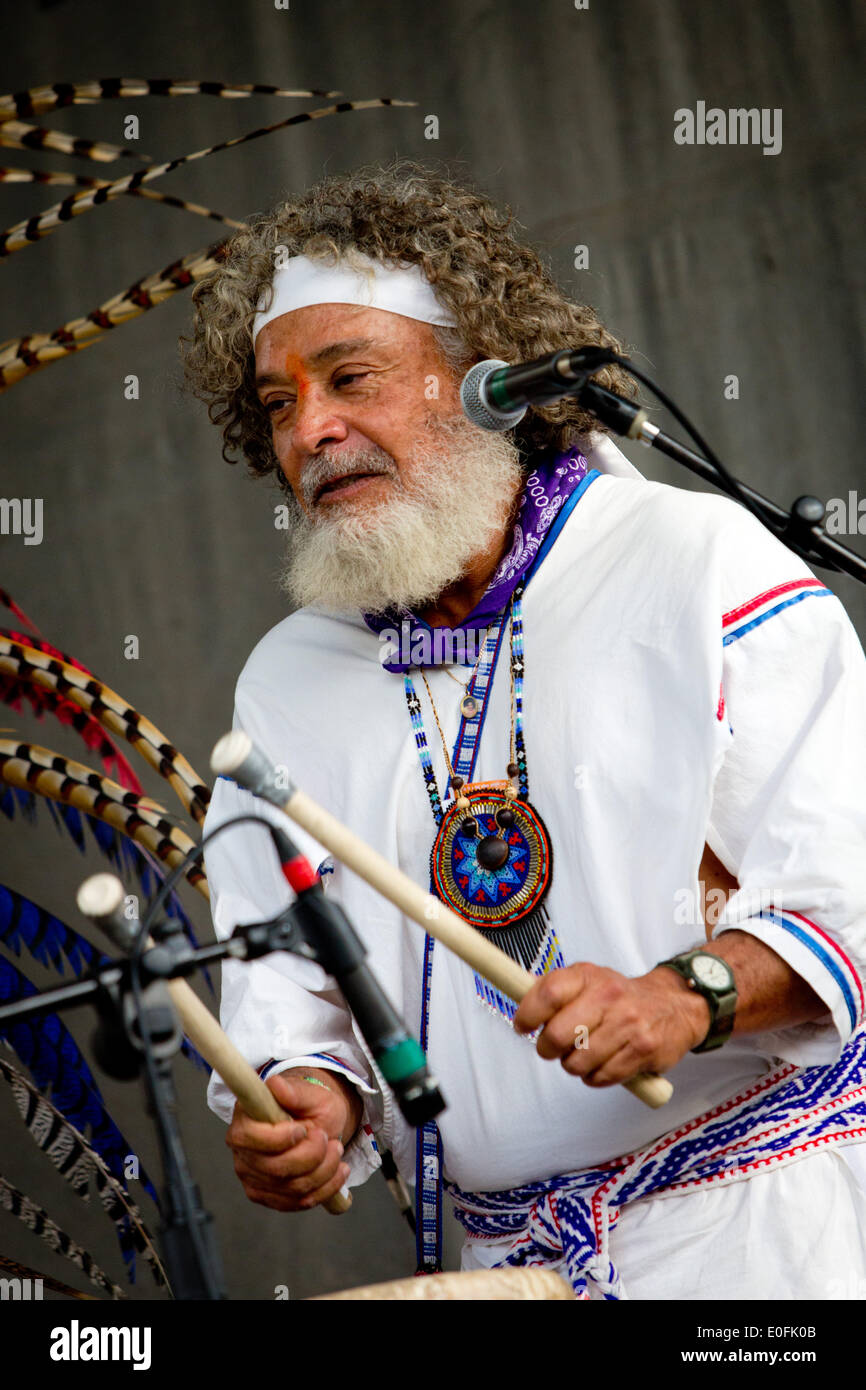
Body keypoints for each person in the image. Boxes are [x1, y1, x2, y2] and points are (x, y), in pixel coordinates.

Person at [182, 163, 866, 1299]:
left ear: (478, 376)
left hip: (767, 1231)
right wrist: (306, 1100)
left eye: (350, 377)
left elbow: (846, 880)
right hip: (508, 1266)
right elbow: (291, 988)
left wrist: (682, 993)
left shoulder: (691, 561)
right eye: (276, 403)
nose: (311, 429)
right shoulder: (284, 686)